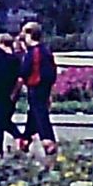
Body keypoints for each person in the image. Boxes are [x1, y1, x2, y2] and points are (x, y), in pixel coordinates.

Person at [19, 20, 59, 153]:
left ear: (29, 34)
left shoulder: (34, 52)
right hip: (44, 86)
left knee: (40, 112)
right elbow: (52, 71)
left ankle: (48, 139)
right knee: (34, 112)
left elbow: (25, 71)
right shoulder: (45, 50)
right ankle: (26, 138)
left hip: (36, 85)